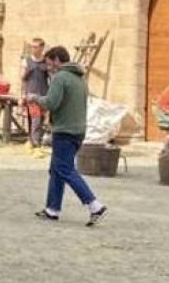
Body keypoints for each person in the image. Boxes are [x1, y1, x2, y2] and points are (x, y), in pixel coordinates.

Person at [27, 46, 108, 226]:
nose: (49, 68)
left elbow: (51, 103)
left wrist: (34, 98)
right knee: (56, 169)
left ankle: (95, 205)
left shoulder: (60, 77)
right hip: (78, 131)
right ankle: (52, 209)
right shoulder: (80, 79)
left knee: (65, 169)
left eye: (49, 64)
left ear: (56, 60)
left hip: (64, 130)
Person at [19, 38, 49, 149]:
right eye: (32, 46)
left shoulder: (46, 61)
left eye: (36, 47)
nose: (33, 49)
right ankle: (35, 142)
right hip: (31, 94)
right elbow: (22, 79)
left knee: (40, 118)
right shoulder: (26, 61)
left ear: (41, 48)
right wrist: (22, 95)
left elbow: (51, 76)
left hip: (43, 94)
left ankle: (33, 139)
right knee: (35, 117)